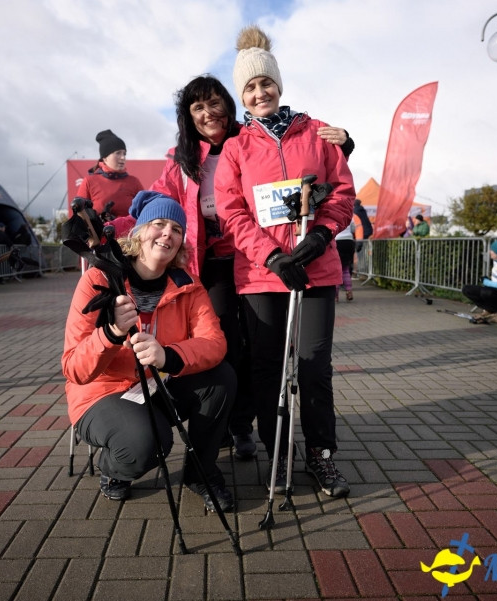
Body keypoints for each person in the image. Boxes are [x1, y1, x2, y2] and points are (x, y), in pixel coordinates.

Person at [108, 74, 353, 461]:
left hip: (258, 258)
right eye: (197, 108)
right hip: (213, 265)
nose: (208, 114)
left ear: (229, 103)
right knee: (226, 351)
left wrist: (342, 149)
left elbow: (302, 173)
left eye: (214, 103)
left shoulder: (252, 139)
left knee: (269, 356)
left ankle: (245, 425)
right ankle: (230, 425)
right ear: (188, 117)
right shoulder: (184, 160)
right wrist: (111, 230)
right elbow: (154, 202)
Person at [214, 25, 355, 498]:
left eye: (265, 83)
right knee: (268, 368)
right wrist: (272, 255)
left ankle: (321, 454)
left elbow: (342, 193)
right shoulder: (236, 147)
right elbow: (232, 213)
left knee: (314, 366)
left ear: (278, 84)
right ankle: (279, 456)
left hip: (315, 268)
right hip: (262, 276)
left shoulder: (317, 132)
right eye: (250, 87)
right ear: (242, 95)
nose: (260, 92)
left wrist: (318, 236)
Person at [62, 191, 236, 511]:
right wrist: (111, 334)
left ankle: (201, 474)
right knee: (149, 443)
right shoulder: (99, 280)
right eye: (159, 223)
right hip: (102, 392)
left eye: (177, 228)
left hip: (157, 382)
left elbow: (214, 343)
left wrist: (168, 355)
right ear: (140, 231)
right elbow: (74, 368)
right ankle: (115, 470)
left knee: (221, 377)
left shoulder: (188, 285)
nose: (167, 232)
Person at [75, 130, 144, 221]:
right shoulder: (89, 182)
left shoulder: (134, 182)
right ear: (105, 158)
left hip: (130, 234)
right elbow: (79, 217)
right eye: (118, 153)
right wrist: (98, 220)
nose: (123, 157)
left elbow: (146, 212)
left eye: (124, 153)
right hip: (100, 234)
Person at [461, 239, 497, 324]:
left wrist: (486, 282)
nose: (490, 252)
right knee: (467, 289)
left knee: (487, 292)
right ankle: (489, 310)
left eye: (492, 250)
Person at [334, 222, 356, 302]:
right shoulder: (348, 214)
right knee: (345, 269)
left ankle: (335, 296)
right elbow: (353, 228)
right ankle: (349, 292)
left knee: (336, 271)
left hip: (337, 241)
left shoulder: (333, 214)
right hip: (348, 242)